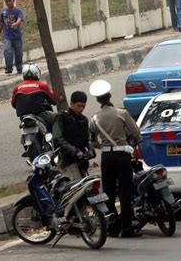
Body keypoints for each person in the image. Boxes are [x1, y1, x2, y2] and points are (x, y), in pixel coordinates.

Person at [89, 80, 142, 238]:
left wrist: (103, 146)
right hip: (122, 155)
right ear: (110, 96)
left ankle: (112, 227)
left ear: (98, 100)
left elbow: (92, 141)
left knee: (108, 192)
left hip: (107, 157)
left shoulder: (94, 119)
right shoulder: (122, 113)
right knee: (125, 191)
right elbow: (136, 134)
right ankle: (126, 228)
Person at [53, 91, 92, 181]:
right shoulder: (62, 117)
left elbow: (87, 139)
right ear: (71, 103)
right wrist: (75, 151)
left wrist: (90, 150)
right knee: (76, 187)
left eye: (83, 106)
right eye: (79, 106)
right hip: (67, 160)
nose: (81, 109)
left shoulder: (84, 120)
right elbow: (57, 138)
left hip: (82, 160)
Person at [11, 63, 56, 129]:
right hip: (40, 114)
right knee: (58, 118)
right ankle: (57, 138)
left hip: (23, 117)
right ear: (37, 73)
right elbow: (54, 100)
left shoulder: (17, 88)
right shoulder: (42, 85)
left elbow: (13, 104)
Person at [0, 0, 24, 75]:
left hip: (17, 36)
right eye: (6, 1)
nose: (8, 3)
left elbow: (20, 19)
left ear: (13, 0)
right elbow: (1, 23)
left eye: (9, 1)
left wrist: (16, 23)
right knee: (7, 51)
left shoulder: (18, 11)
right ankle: (8, 68)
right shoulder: (3, 12)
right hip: (7, 36)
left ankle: (19, 68)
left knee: (18, 53)